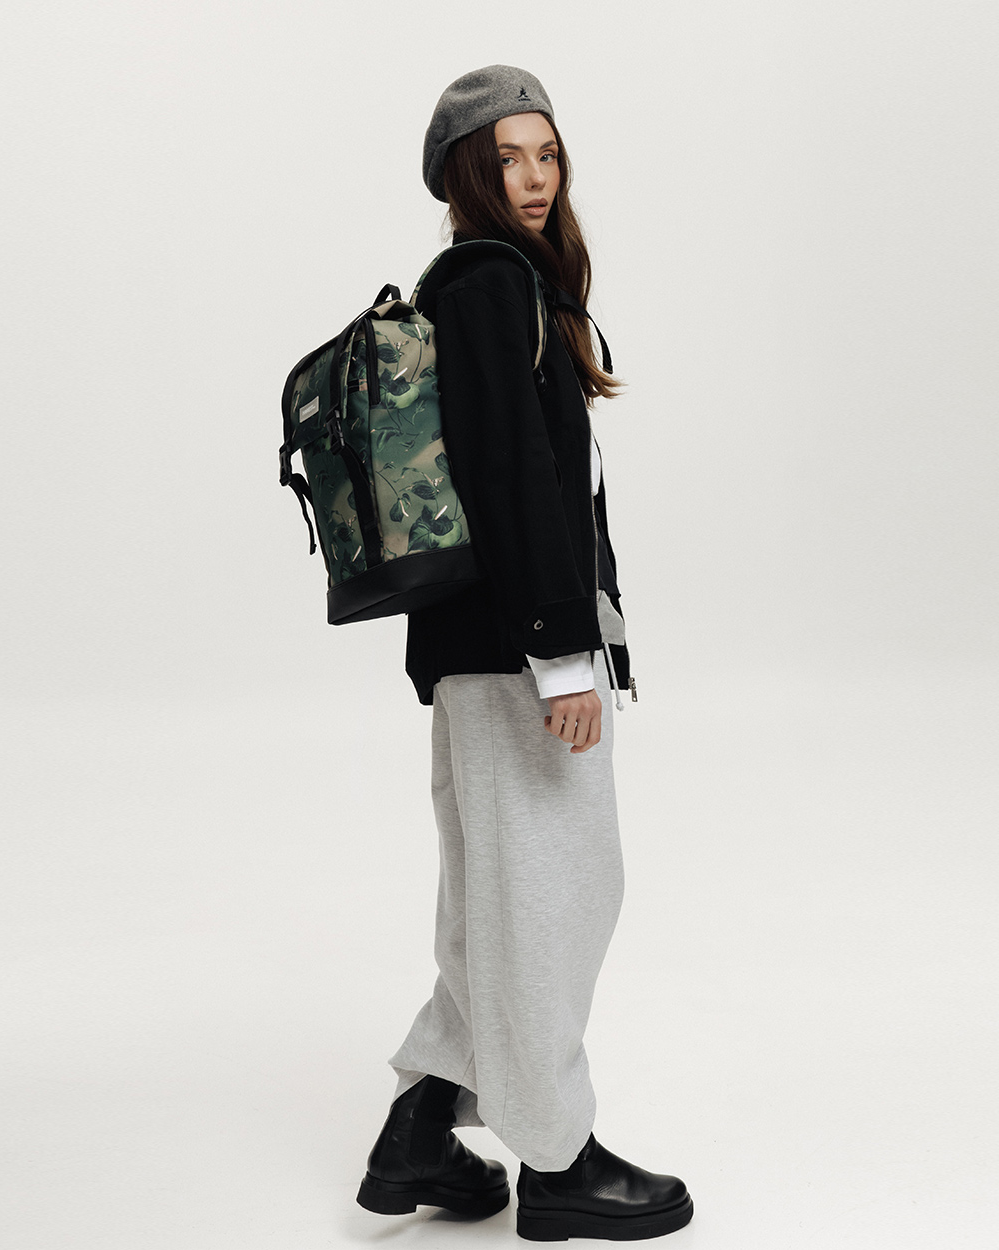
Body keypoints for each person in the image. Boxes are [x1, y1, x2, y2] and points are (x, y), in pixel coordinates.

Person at [355, 65, 694, 1242]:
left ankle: (419, 1131)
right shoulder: (493, 282)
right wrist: (562, 654)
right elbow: (512, 476)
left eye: (547, 154)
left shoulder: (489, 282)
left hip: (478, 649)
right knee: (557, 893)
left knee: (498, 899)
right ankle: (555, 1159)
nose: (535, 177)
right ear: (466, 172)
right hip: (515, 651)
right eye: (508, 157)